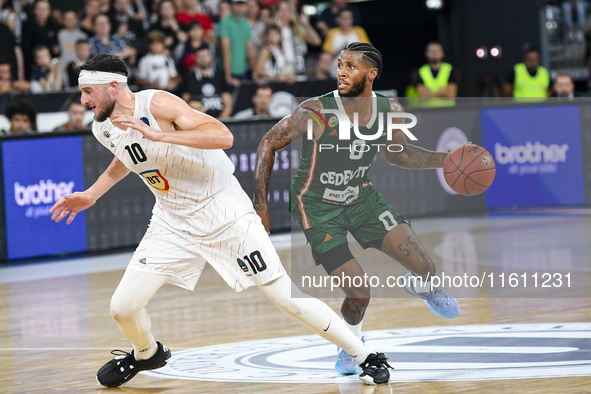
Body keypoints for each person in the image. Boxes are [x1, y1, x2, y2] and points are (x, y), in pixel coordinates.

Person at [48, 53, 391, 387]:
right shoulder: (102, 127)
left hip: (224, 210)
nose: (83, 100)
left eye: (87, 92)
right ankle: (147, 352)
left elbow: (223, 136)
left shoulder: (157, 105)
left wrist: (159, 134)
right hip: (172, 219)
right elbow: (128, 155)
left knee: (285, 297)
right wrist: (92, 193)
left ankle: (364, 356)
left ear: (112, 87)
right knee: (123, 308)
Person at [254, 42, 460, 375]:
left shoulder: (388, 108)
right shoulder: (316, 110)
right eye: (340, 65)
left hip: (360, 197)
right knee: (359, 293)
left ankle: (421, 286)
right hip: (317, 206)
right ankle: (351, 347)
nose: (341, 72)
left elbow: (398, 154)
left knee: (425, 267)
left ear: (371, 73)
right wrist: (260, 206)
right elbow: (267, 143)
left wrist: (445, 160)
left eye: (351, 66)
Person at [181, 46, 233, 118]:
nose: (203, 59)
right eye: (200, 56)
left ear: (211, 57)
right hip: (198, 123)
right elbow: (185, 105)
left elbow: (228, 105)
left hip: (219, 122)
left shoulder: (220, 77)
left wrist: (218, 124)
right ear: (195, 58)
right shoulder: (188, 78)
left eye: (206, 56)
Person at [218, 0, 257, 88]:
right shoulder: (224, 22)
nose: (240, 6)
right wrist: (228, 76)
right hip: (226, 72)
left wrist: (256, 74)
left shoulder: (245, 23)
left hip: (242, 71)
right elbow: (225, 51)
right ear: (232, 5)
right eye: (237, 4)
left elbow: (250, 51)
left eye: (242, 4)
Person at [322, 7, 370, 75]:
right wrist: (341, 49)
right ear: (338, 19)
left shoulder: (359, 31)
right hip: (336, 72)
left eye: (350, 18)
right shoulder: (332, 33)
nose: (347, 21)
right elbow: (326, 55)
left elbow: (367, 51)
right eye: (344, 18)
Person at [417, 42, 458, 107]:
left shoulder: (449, 69)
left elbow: (451, 95)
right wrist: (440, 93)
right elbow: (423, 97)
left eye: (437, 51)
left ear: (442, 53)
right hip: (428, 111)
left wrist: (430, 94)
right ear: (426, 54)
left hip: (447, 111)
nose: (434, 54)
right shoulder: (422, 71)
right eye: (431, 51)